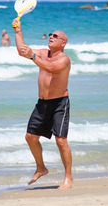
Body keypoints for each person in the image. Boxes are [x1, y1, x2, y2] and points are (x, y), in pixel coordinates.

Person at [12, 17, 73, 190]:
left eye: (55, 36)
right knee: (30, 137)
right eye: (50, 35)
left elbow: (50, 68)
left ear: (63, 43)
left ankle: (68, 177)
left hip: (60, 103)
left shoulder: (64, 59)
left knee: (61, 141)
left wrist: (32, 55)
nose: (51, 37)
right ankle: (41, 167)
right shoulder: (42, 53)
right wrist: (18, 31)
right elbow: (22, 51)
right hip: (42, 103)